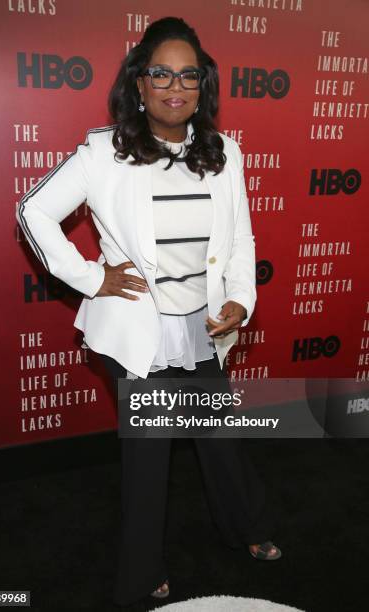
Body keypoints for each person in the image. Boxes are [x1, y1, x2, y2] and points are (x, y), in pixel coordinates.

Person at [16, 16, 282, 608]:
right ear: (138, 83)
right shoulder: (102, 153)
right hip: (140, 329)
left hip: (202, 324)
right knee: (150, 450)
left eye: (189, 75)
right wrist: (91, 278)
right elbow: (32, 213)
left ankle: (247, 527)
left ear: (202, 86)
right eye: (160, 72)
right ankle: (142, 570)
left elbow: (242, 239)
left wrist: (241, 297)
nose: (175, 86)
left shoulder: (223, 153)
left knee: (219, 435)